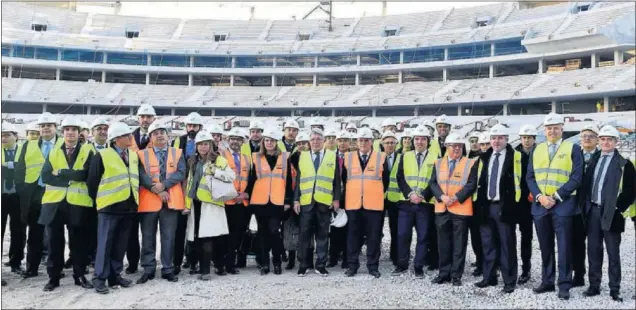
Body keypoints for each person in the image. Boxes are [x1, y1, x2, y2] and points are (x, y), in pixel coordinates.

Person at [527, 112, 584, 300]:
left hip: (564, 205)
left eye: (556, 127)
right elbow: (530, 177)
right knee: (545, 247)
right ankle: (548, 281)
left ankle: (564, 284)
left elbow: (577, 177)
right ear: (544, 130)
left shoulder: (573, 148)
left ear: (562, 129)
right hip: (541, 206)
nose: (552, 131)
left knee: (565, 247)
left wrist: (557, 196)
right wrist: (539, 197)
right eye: (549, 128)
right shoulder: (537, 149)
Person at [579, 125, 635, 302]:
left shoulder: (625, 164)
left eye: (609, 139)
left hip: (612, 213)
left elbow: (631, 190)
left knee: (613, 253)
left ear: (616, 142)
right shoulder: (594, 160)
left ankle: (614, 288)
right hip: (594, 211)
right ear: (599, 141)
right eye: (602, 139)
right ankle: (594, 286)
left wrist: (618, 208)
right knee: (594, 250)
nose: (605, 142)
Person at [39, 117, 95, 291]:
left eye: (74, 129)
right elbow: (46, 176)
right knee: (55, 242)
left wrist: (62, 173)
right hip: (54, 203)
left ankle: (79, 276)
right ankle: (53, 278)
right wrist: (71, 178)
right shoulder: (54, 151)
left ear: (79, 133)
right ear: (62, 132)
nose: (70, 132)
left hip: (77, 204)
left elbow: (86, 175)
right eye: (67, 129)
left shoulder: (88, 150)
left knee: (78, 243)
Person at [87, 122, 139, 294]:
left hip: (128, 207)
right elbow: (93, 182)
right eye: (127, 136)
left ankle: (115, 276)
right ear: (117, 139)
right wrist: (101, 201)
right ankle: (99, 278)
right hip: (109, 207)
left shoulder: (132, 155)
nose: (131, 138)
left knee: (119, 245)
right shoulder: (102, 155)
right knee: (105, 244)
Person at [473, 124, 521, 294]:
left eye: (500, 138)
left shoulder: (516, 157)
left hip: (505, 207)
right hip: (486, 206)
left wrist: (515, 207)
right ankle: (489, 277)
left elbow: (520, 182)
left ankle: (509, 280)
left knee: (507, 245)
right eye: (493, 138)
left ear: (507, 139)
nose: (496, 141)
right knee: (488, 244)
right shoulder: (484, 158)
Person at [136, 122, 186, 284]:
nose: (159, 135)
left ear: (168, 135)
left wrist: (164, 185)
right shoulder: (142, 154)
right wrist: (157, 189)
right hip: (149, 202)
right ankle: (148, 268)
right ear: (150, 137)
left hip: (171, 202)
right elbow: (141, 175)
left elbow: (181, 173)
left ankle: (167, 269)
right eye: (155, 133)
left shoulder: (178, 153)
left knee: (169, 237)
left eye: (162, 132)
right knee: (148, 237)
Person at [15, 112, 63, 279]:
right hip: (34, 193)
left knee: (55, 233)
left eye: (49, 125)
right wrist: (23, 191)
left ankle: (56, 268)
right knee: (34, 232)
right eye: (42, 126)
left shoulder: (65, 144)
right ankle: (32, 267)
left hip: (55, 192)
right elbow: (19, 170)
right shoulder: (28, 145)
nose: (45, 128)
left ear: (55, 127)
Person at [185, 130, 236, 280]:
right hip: (196, 203)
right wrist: (187, 204)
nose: (203, 147)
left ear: (211, 145)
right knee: (199, 238)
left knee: (209, 237)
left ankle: (206, 270)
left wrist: (215, 171)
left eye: (206, 144)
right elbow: (190, 184)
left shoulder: (218, 160)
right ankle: (209, 267)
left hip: (212, 204)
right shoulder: (192, 161)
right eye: (200, 144)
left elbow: (231, 176)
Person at [428, 132, 478, 286]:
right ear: (446, 146)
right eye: (453, 146)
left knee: (459, 244)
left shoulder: (470, 163)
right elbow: (433, 183)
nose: (456, 149)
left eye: (459, 146)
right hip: (442, 208)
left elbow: (471, 184)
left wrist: (455, 197)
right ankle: (444, 273)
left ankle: (456, 275)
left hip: (460, 209)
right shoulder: (438, 163)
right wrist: (442, 197)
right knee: (443, 243)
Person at [292, 128, 341, 277]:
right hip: (306, 202)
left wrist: (336, 199)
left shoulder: (332, 156)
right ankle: (304, 265)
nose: (315, 142)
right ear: (309, 142)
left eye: (318, 139)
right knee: (304, 235)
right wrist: (296, 200)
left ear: (324, 141)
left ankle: (321, 265)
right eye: (312, 139)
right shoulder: (303, 156)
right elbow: (299, 180)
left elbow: (337, 181)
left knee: (322, 236)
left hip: (324, 202)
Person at [342, 128, 389, 278]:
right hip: (353, 204)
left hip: (374, 204)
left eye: (366, 140)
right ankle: (352, 265)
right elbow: (344, 179)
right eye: (361, 140)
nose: (363, 143)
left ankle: (373, 266)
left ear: (372, 142)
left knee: (373, 237)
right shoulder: (348, 157)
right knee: (352, 236)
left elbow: (385, 181)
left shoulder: (381, 157)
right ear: (356, 142)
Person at [246, 129, 293, 275]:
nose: (269, 143)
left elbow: (289, 181)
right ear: (263, 142)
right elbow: (251, 180)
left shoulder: (284, 158)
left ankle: (277, 262)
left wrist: (287, 200)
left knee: (274, 232)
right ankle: (265, 264)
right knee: (262, 234)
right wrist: (247, 196)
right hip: (260, 202)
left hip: (277, 202)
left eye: (272, 140)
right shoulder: (256, 158)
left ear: (276, 142)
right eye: (267, 140)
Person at [392, 126, 436, 278]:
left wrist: (423, 195)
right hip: (406, 202)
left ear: (428, 141)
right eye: (417, 139)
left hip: (425, 204)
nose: (419, 142)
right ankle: (402, 265)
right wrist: (410, 194)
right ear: (412, 141)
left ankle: (418, 266)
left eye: (423, 139)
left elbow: (434, 180)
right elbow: (400, 177)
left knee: (423, 236)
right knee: (403, 235)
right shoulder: (405, 156)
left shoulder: (435, 157)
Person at [171, 112, 204, 275]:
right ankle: (176, 262)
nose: (192, 129)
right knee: (179, 228)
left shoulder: (205, 143)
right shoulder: (178, 141)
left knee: (195, 228)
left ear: (200, 127)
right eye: (190, 126)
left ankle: (193, 261)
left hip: (198, 191)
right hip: (180, 188)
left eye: (195, 126)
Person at [126, 103, 156, 275]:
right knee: (131, 231)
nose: (145, 120)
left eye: (148, 117)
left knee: (148, 232)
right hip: (132, 190)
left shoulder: (160, 137)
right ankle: (132, 262)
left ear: (154, 119)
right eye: (143, 117)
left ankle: (148, 263)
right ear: (138, 119)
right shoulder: (129, 138)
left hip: (151, 192)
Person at [221, 128, 251, 275]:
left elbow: (250, 179)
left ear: (242, 142)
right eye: (232, 138)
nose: (235, 142)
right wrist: (233, 194)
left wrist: (246, 194)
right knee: (225, 234)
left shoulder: (246, 158)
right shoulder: (222, 156)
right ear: (228, 140)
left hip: (242, 203)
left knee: (237, 234)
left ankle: (231, 262)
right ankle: (224, 263)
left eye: (238, 139)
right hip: (227, 202)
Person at [572, 124, 600, 287]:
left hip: (595, 206)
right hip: (577, 206)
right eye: (584, 136)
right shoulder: (575, 156)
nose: (587, 138)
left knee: (595, 246)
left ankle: (595, 280)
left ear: (597, 140)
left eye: (591, 136)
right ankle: (578, 274)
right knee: (576, 243)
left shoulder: (602, 156)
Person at [2, 124, 26, 285]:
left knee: (18, 231)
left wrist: (9, 167)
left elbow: (24, 169)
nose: (3, 138)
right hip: (2, 196)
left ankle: (16, 262)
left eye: (7, 135)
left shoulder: (24, 151)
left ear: (15, 136)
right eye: (1, 135)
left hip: (18, 196)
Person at [514, 124, 537, 284]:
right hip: (521, 202)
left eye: (529, 137)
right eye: (524, 137)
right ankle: (525, 269)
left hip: (538, 199)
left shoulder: (541, 153)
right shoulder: (514, 154)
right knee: (524, 236)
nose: (527, 140)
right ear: (521, 139)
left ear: (534, 139)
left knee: (538, 237)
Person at [328, 130, 352, 269]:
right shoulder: (331, 156)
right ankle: (333, 257)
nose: (342, 143)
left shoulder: (353, 157)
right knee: (335, 228)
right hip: (334, 196)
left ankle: (346, 258)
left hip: (350, 197)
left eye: (345, 140)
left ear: (350, 142)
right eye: (340, 140)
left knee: (348, 229)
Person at [382, 131, 401, 267]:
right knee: (376, 228)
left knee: (395, 228)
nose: (389, 145)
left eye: (392, 143)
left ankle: (395, 255)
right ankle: (376, 254)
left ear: (396, 144)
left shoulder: (402, 157)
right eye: (387, 143)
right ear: (382, 144)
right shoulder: (376, 158)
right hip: (379, 198)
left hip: (395, 198)